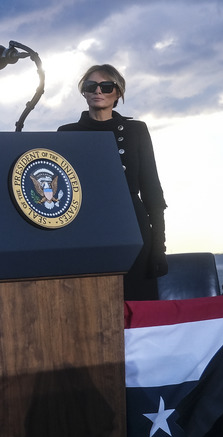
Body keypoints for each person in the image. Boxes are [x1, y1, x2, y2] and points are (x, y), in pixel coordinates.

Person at [58, 64, 167, 301]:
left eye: (106, 86)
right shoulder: (67, 133)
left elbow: (152, 192)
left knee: (138, 306)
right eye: (91, 86)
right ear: (84, 92)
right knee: (91, 303)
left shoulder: (135, 130)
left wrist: (159, 249)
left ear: (117, 93)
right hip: (86, 227)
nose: (98, 91)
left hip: (132, 225)